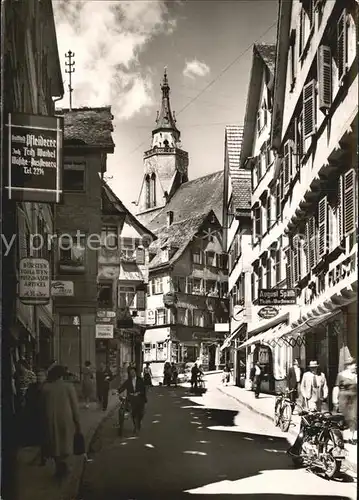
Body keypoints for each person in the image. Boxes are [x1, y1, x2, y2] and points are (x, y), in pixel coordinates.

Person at [42, 365, 81, 479]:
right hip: (66, 418)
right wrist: (77, 422)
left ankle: (59, 466)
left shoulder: (45, 388)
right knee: (66, 441)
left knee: (55, 442)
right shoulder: (68, 387)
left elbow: (41, 406)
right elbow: (74, 406)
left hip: (50, 418)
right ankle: (65, 466)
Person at [23, 368, 47, 464]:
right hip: (34, 413)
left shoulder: (47, 387)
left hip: (44, 413)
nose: (39, 377)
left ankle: (43, 457)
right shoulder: (32, 386)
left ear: (45, 377)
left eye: (41, 376)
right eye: (38, 376)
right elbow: (27, 398)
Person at [332, 356, 357, 444]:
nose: (355, 366)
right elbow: (336, 388)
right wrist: (335, 400)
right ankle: (339, 438)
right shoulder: (341, 375)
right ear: (348, 365)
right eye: (354, 364)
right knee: (342, 419)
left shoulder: (355, 376)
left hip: (354, 400)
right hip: (343, 399)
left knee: (353, 418)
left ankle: (352, 437)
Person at [118, 366, 147, 435]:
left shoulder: (140, 380)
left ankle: (138, 423)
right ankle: (136, 427)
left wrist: (139, 393)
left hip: (140, 399)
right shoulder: (128, 381)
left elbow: (143, 389)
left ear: (135, 372)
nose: (132, 374)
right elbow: (122, 387)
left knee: (140, 414)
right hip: (132, 399)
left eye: (133, 372)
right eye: (131, 373)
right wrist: (117, 391)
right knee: (134, 414)